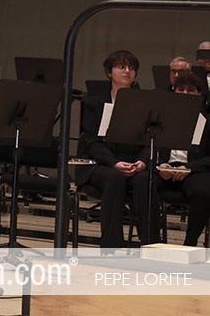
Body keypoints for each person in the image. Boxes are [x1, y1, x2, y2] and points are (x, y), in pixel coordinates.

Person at [75, 50, 160, 249]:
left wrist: (143, 161)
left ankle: (152, 246)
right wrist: (114, 163)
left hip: (133, 163)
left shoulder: (145, 104)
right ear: (109, 72)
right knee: (115, 177)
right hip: (100, 164)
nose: (127, 71)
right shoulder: (94, 103)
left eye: (131, 68)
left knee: (145, 180)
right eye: (121, 67)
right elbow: (92, 142)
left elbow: (151, 140)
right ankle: (111, 247)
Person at [157, 73, 210, 246]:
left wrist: (189, 167)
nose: (185, 93)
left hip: (193, 171)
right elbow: (148, 147)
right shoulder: (160, 117)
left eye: (190, 90)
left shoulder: (207, 121)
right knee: (142, 184)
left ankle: (189, 244)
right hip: (164, 169)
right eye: (181, 89)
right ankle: (150, 240)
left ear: (199, 95)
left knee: (203, 191)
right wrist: (159, 164)